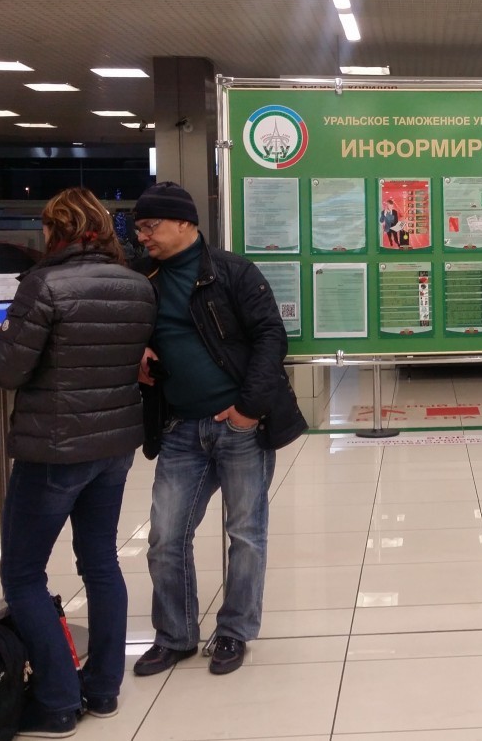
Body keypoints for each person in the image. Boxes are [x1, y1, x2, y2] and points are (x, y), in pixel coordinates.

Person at [0, 187, 156, 738]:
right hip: (114, 446)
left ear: (55, 230)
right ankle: (103, 689)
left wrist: (2, 337)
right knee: (100, 561)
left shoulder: (43, 285)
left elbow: (8, 371)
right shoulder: (136, 286)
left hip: (54, 449)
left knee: (22, 574)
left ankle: (58, 701)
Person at [130, 181, 307, 678]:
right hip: (180, 428)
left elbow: (271, 336)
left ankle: (234, 631)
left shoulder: (232, 272)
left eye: (151, 226)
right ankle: (175, 636)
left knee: (245, 534)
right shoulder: (142, 277)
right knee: (165, 536)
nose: (143, 236)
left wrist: (249, 409)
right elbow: (129, 330)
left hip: (239, 428)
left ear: (185, 223)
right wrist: (137, 351)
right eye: (139, 228)